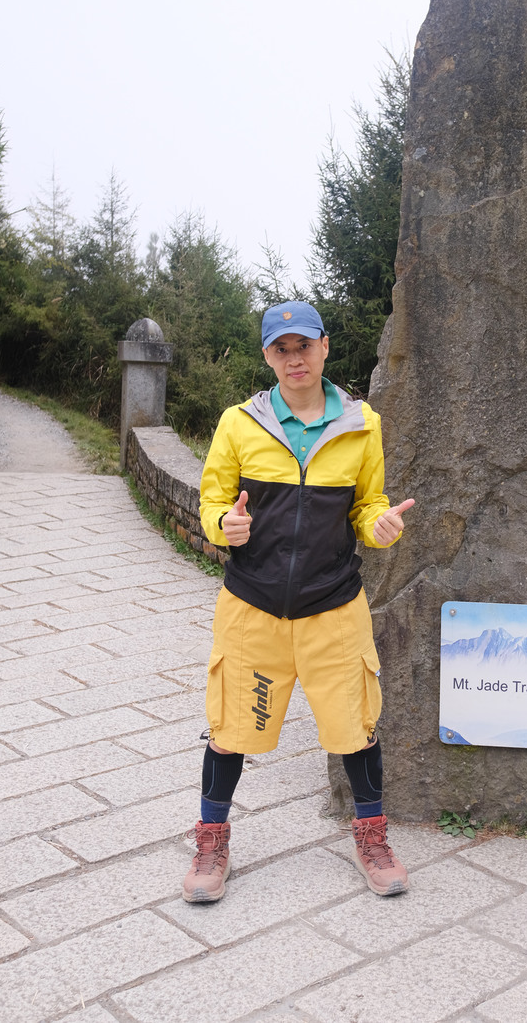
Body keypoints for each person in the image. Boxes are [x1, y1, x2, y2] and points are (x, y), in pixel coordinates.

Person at [183, 301, 414, 903]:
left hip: (333, 607)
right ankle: (211, 840)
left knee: (356, 728)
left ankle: (372, 837)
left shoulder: (362, 424)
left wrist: (379, 526)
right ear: (268, 356)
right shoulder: (239, 423)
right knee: (230, 730)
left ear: (324, 347)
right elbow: (213, 500)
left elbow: (367, 504)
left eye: (304, 346)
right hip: (252, 607)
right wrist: (222, 526)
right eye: (281, 349)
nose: (295, 359)